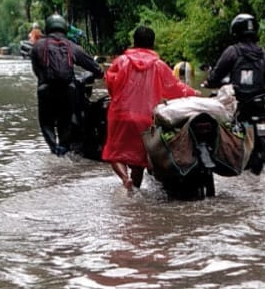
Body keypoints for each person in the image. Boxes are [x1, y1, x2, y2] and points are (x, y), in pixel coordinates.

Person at [102, 25, 197, 190]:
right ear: (152, 44)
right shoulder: (159, 65)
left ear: (134, 42)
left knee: (115, 152)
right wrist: (193, 92)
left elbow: (110, 83)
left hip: (120, 115)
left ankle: (125, 179)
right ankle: (134, 188)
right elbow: (174, 88)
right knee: (138, 159)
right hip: (145, 119)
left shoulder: (121, 61)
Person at [30, 14, 103, 156]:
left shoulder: (37, 46)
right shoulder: (72, 46)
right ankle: (63, 150)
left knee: (46, 123)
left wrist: (44, 81)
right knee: (65, 123)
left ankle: (53, 148)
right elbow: (95, 68)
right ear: (64, 28)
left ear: (48, 27)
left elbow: (36, 70)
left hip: (45, 90)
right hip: (67, 91)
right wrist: (99, 72)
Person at [203, 13, 265, 119]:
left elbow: (215, 76)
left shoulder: (232, 52)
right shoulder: (263, 53)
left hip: (237, 105)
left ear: (235, 32)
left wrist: (209, 82)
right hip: (259, 104)